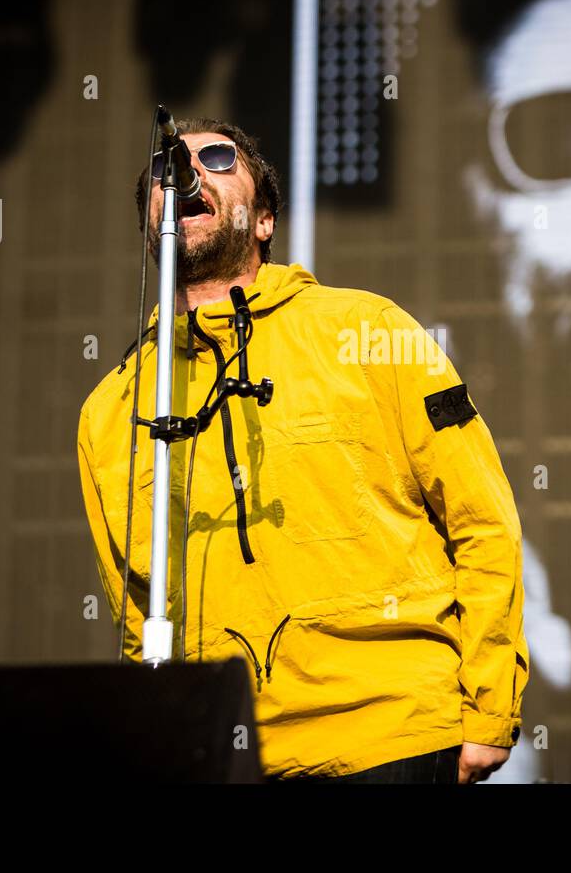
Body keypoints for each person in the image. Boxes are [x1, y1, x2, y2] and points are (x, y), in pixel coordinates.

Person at [77, 116, 528, 783]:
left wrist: (490, 709)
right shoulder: (114, 409)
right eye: (164, 170)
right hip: (225, 754)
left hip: (390, 735)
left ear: (264, 219)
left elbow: (482, 523)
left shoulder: (370, 331)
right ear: (151, 227)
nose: (186, 172)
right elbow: (137, 617)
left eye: (219, 159)